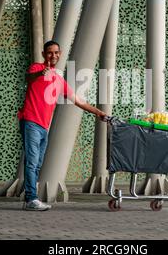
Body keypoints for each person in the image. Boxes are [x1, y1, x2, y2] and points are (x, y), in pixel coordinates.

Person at [17, 40, 108, 211]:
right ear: (44, 54)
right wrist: (40, 74)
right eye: (50, 52)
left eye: (56, 53)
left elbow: (78, 101)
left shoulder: (59, 80)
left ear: (60, 54)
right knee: (31, 162)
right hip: (30, 121)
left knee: (37, 164)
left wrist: (97, 112)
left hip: (44, 126)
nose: (53, 56)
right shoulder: (36, 68)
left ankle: (31, 199)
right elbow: (28, 78)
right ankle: (31, 199)